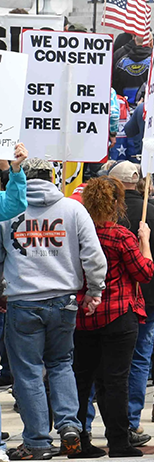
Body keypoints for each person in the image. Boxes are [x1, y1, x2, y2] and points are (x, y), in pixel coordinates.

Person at [1, 154, 101, 460]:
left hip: (23, 301)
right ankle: (70, 425)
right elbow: (93, 256)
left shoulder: (7, 209)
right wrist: (95, 290)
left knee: (28, 373)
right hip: (64, 301)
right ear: (53, 176)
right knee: (61, 364)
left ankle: (38, 442)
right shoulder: (73, 209)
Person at [75, 176, 154, 458]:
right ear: (116, 203)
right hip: (119, 313)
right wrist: (144, 240)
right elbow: (144, 272)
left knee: (82, 381)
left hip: (84, 315)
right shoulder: (121, 235)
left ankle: (79, 439)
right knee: (116, 380)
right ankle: (119, 442)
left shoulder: (77, 233)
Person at [109, 161, 154, 434]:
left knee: (115, 359)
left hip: (117, 296)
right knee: (140, 357)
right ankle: (130, 420)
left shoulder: (111, 214)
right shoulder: (153, 212)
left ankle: (119, 419)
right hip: (150, 295)